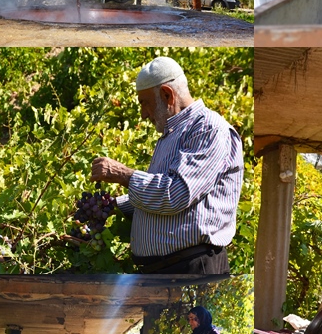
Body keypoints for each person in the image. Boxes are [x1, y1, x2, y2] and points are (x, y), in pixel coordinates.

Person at [90, 57, 244, 275]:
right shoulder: (172, 134)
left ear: (166, 94)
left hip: (193, 269)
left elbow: (176, 193)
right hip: (168, 271)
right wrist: (113, 206)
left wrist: (123, 174)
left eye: (144, 103)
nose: (143, 114)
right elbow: (160, 198)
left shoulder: (208, 129)